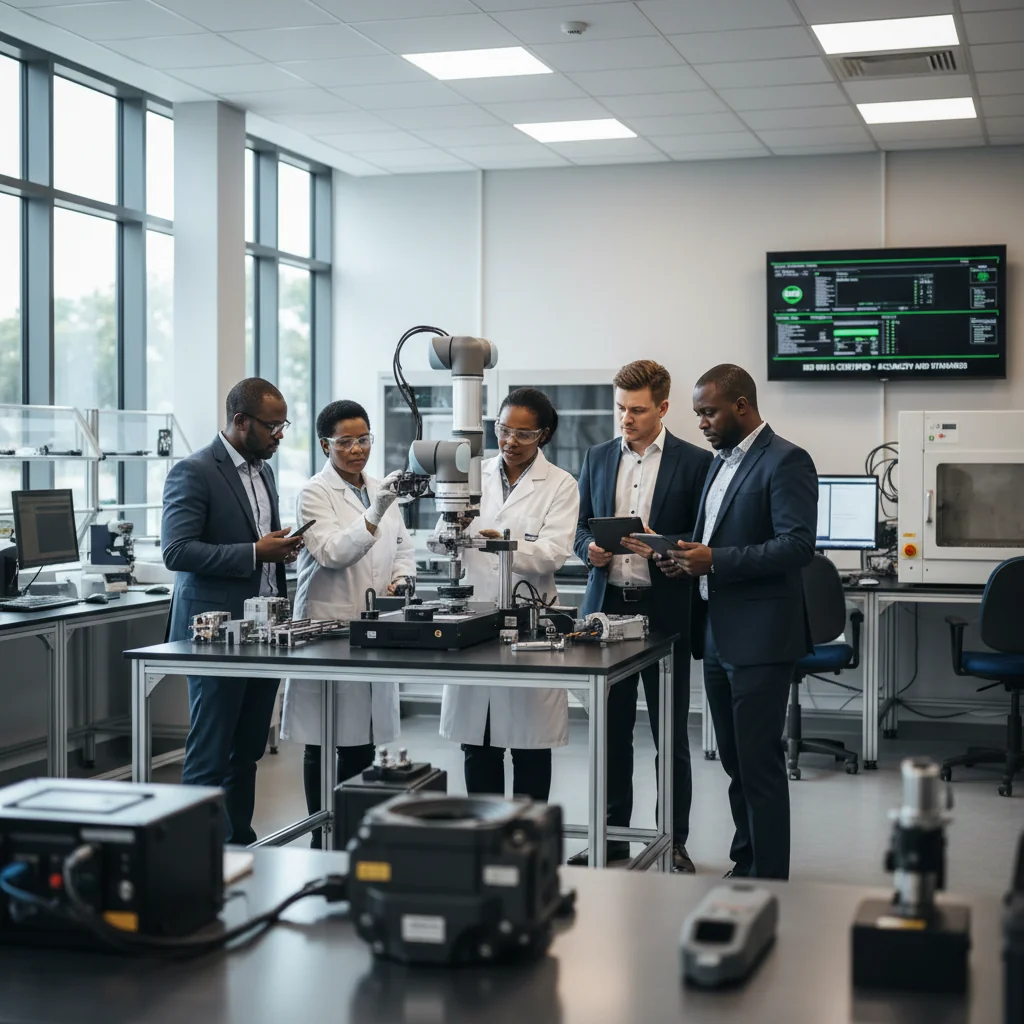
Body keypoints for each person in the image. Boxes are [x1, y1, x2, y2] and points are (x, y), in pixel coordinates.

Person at [658, 363, 817, 881]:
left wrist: (717, 562)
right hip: (716, 633)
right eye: (698, 413)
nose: (701, 422)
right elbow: (714, 538)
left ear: (742, 406)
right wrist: (679, 557)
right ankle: (745, 860)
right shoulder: (718, 464)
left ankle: (770, 877)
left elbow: (797, 546)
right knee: (733, 763)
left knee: (759, 765)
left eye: (709, 412)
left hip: (761, 639)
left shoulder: (786, 460)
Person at [571, 360, 712, 871]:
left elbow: (701, 541)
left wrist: (659, 544)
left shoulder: (695, 462)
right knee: (611, 735)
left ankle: (672, 839)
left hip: (666, 611)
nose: (625, 419)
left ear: (663, 408)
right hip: (606, 612)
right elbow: (580, 529)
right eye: (620, 409)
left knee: (670, 737)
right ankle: (610, 838)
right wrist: (589, 549)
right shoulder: (597, 455)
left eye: (636, 410)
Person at [162, 378, 304, 845]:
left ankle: (237, 842)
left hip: (262, 631)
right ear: (240, 422)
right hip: (214, 634)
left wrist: (277, 549)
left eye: (283, 425)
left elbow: (255, 542)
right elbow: (178, 551)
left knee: (246, 751)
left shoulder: (262, 471)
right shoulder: (195, 471)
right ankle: (193, 854)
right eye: (272, 425)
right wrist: (254, 552)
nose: (279, 434)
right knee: (210, 752)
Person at [280, 400, 412, 847]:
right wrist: (373, 512)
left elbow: (402, 545)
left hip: (376, 625)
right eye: (346, 442)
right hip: (327, 626)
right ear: (325, 445)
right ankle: (321, 835)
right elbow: (332, 552)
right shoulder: (314, 493)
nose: (357, 450)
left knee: (362, 738)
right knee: (323, 737)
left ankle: (355, 834)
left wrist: (402, 577)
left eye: (364, 439)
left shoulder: (380, 489)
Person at [439, 388, 580, 801]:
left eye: (523, 434)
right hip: (472, 617)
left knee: (530, 746)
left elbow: (553, 554)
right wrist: (453, 530)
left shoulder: (560, 484)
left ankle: (526, 845)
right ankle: (484, 843)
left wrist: (505, 543)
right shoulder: (470, 472)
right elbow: (442, 532)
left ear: (545, 434)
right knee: (477, 743)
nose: (509, 441)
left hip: (530, 623)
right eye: (503, 430)